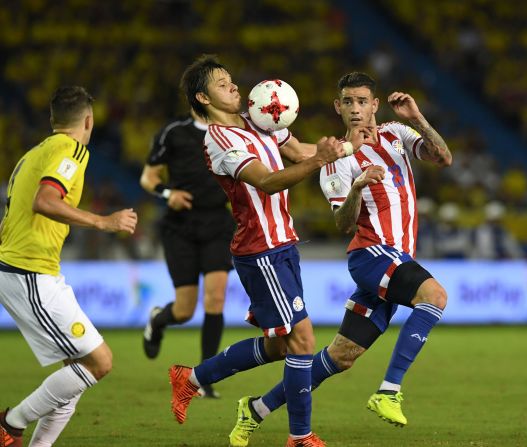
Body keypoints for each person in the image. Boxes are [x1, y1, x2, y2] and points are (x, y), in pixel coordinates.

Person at [228, 72, 452, 447]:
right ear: (338, 106)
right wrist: (359, 186)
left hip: (397, 258)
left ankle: (255, 410)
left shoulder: (397, 133)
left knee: (340, 356)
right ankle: (389, 391)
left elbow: (443, 157)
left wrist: (417, 118)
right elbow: (342, 222)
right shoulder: (335, 156)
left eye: (362, 101)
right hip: (371, 256)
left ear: (375, 105)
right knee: (435, 297)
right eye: (347, 102)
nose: (355, 109)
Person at [166, 56, 367, 447]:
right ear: (203, 97)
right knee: (303, 341)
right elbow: (270, 182)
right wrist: (321, 160)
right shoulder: (221, 140)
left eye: (232, 80)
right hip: (261, 250)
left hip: (282, 245)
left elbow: (298, 151)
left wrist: (347, 148)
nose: (235, 87)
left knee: (279, 345)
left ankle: (190, 378)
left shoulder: (256, 119)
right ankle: (300, 436)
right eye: (224, 84)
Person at [0, 86, 137, 447]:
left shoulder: (35, 153)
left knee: (75, 374)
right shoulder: (72, 149)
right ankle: (10, 424)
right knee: (99, 363)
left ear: (53, 120)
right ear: (88, 121)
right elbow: (46, 200)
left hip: (27, 270)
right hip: (28, 272)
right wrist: (103, 222)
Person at [140, 107, 235, 399]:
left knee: (216, 297)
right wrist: (169, 194)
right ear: (200, 96)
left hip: (218, 221)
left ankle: (204, 378)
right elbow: (148, 177)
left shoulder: (233, 131)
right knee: (184, 311)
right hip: (181, 226)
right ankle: (158, 320)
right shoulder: (174, 133)